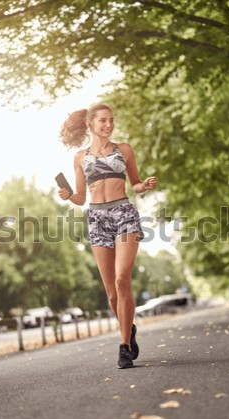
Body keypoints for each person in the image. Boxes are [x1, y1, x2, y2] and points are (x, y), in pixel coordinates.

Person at [58, 103, 157, 369]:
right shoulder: (80, 157)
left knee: (122, 278)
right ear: (90, 124)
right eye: (103, 121)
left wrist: (143, 185)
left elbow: (134, 183)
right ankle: (129, 328)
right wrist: (69, 195)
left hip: (124, 213)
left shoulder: (123, 149)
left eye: (111, 120)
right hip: (97, 218)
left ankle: (124, 347)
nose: (109, 125)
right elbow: (81, 197)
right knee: (112, 294)